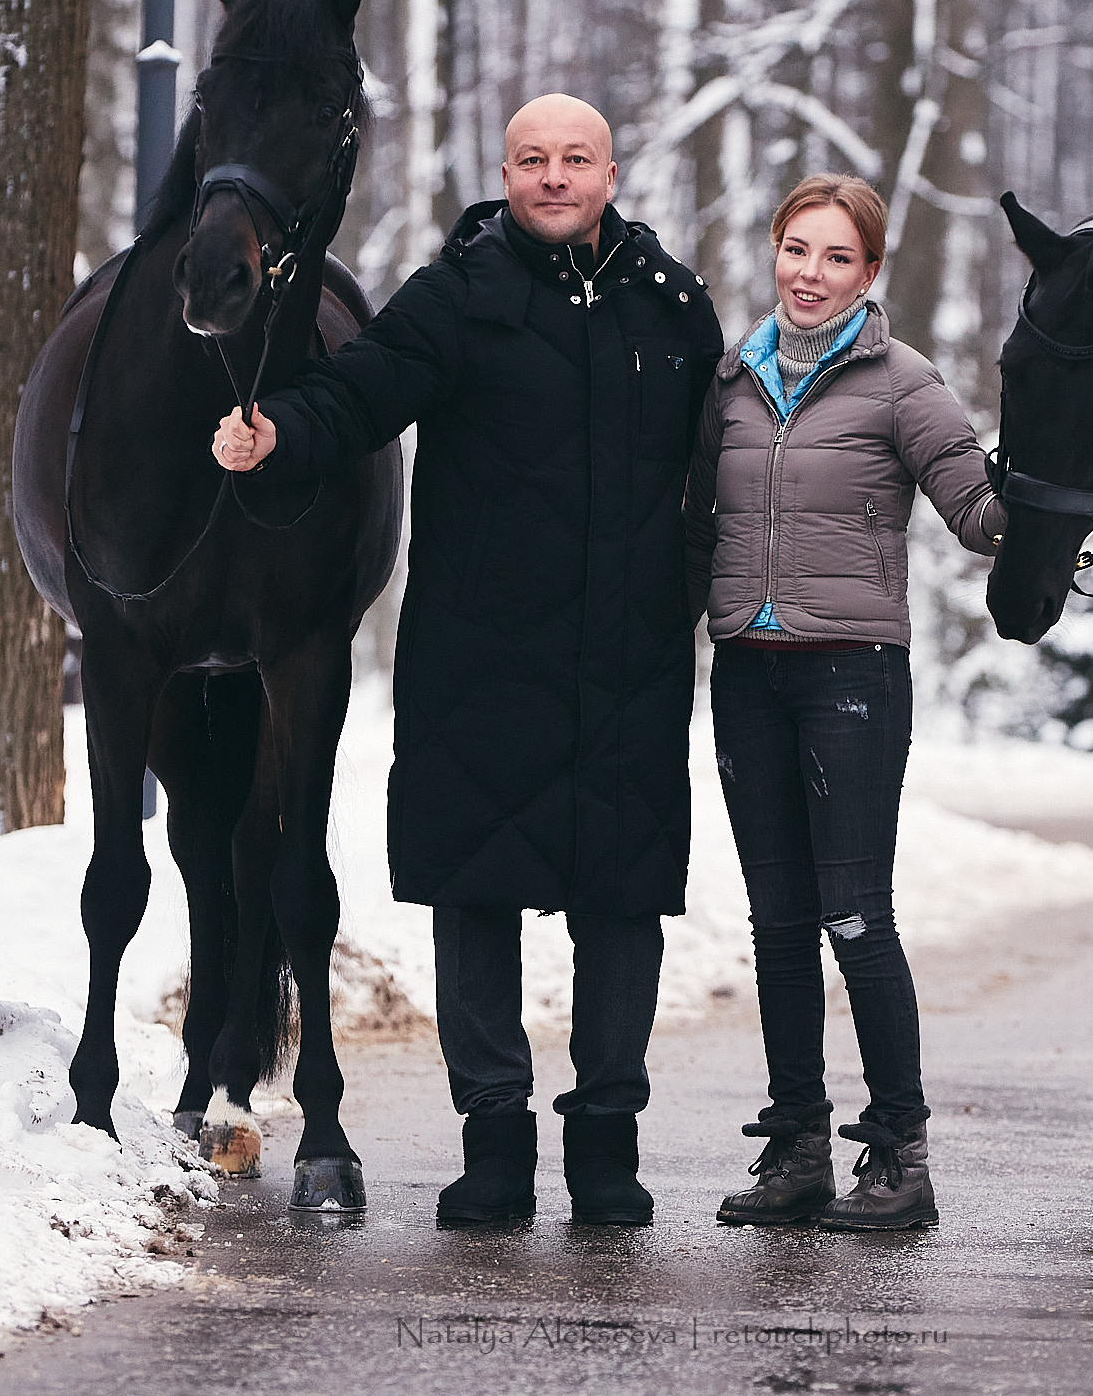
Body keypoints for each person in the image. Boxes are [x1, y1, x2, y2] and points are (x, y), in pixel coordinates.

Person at [212, 94, 723, 1227]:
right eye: (532, 160)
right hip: (480, 657)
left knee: (621, 903)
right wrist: (280, 430)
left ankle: (605, 1145)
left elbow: (720, 469)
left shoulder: (674, 305)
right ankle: (492, 1141)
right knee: (475, 895)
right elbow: (362, 389)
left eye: (574, 159)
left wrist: (682, 597)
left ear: (610, 170)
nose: (553, 177)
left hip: (630, 658)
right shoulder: (459, 295)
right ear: (504, 171)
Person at [682, 174, 1004, 1231]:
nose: (809, 275)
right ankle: (797, 1151)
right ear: (772, 252)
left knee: (856, 916)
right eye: (795, 250)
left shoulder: (903, 384)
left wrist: (1058, 501)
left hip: (851, 675)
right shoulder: (729, 379)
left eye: (836, 258)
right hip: (746, 672)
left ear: (869, 276)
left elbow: (976, 507)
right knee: (777, 924)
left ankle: (901, 1157)